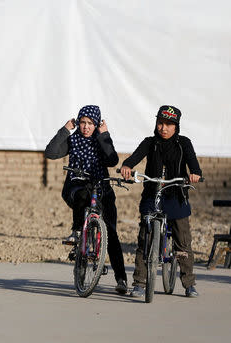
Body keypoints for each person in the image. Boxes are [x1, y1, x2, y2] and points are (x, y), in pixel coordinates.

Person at [120, 105, 202, 298]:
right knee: (144, 240)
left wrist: (195, 174)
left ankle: (189, 284)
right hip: (152, 195)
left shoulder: (184, 143)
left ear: (176, 126)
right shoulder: (150, 142)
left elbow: (193, 163)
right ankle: (140, 283)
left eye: (168, 124)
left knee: (183, 241)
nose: (163, 128)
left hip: (176, 196)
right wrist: (126, 166)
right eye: (160, 123)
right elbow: (135, 157)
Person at [45, 105, 128, 294]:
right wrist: (65, 129)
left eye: (90, 123)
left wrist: (104, 135)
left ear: (96, 125)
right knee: (82, 195)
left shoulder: (100, 140)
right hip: (77, 187)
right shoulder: (73, 140)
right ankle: (76, 231)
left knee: (112, 234)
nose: (85, 127)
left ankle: (121, 279)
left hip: (101, 189)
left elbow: (112, 160)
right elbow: (50, 152)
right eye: (82, 122)